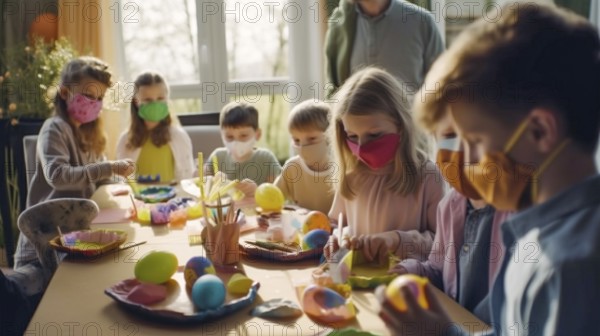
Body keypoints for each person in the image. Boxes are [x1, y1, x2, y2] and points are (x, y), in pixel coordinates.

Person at [377, 3, 600, 335]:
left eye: (475, 139)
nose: (464, 159)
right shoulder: (534, 234)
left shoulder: (572, 267)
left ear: (539, 130)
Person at [14, 57, 134, 290]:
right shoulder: (54, 127)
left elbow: (98, 177)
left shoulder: (88, 135)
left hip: (70, 238)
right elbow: (57, 175)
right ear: (64, 92)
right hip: (42, 248)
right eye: (89, 96)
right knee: (24, 293)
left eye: (99, 99)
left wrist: (120, 183)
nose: (95, 104)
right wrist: (110, 167)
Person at [390, 112, 512, 323]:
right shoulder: (449, 206)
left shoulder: (518, 213)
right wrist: (408, 270)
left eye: (474, 134)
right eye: (449, 134)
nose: (463, 148)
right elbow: (438, 270)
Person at [326, 67, 444, 264]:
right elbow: (337, 225)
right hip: (359, 285)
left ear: (401, 125)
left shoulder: (428, 177)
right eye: (352, 136)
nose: (362, 148)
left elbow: (444, 244)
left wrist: (397, 241)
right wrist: (337, 239)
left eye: (374, 135)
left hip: (407, 286)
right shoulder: (351, 176)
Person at [325, 0, 444, 97]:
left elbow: (442, 84)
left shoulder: (422, 22)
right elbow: (333, 90)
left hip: (410, 124)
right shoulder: (340, 26)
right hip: (357, 125)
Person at [116, 72, 195, 182]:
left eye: (160, 98)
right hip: (137, 198)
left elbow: (188, 178)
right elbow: (122, 181)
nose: (155, 104)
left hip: (172, 197)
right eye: (147, 100)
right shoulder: (126, 140)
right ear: (135, 102)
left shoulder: (179, 136)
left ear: (167, 100)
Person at [275, 100, 335, 214]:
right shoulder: (292, 168)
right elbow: (272, 200)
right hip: (299, 229)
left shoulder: (342, 171)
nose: (302, 146)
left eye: (312, 139)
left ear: (330, 136)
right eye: (296, 140)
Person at [207, 102, 282, 187]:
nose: (236, 142)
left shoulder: (266, 159)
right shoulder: (217, 157)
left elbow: (279, 193)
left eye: (243, 136)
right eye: (229, 136)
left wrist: (257, 191)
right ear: (222, 135)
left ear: (257, 134)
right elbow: (202, 188)